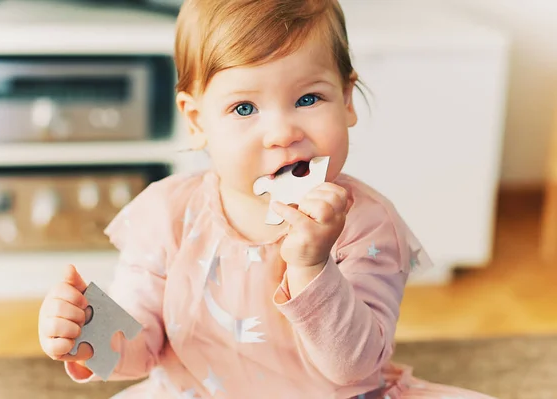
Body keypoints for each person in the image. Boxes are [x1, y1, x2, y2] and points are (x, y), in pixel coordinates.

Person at [38, 0, 496, 397]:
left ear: (347, 99)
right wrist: (87, 331)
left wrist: (313, 265)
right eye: (244, 108)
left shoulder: (365, 224)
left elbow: (354, 366)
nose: (282, 133)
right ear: (197, 122)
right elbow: (141, 350)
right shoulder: (168, 215)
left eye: (309, 99)